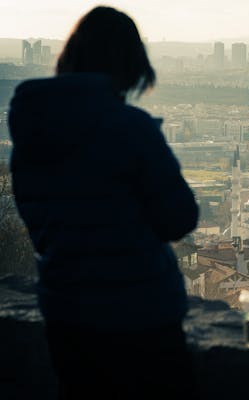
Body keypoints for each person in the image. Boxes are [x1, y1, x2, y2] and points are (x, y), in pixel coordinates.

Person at [8, 6, 200, 400]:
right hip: (141, 312)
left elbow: (34, 211)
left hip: (67, 310)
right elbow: (178, 218)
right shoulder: (131, 129)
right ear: (132, 65)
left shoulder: (30, 128)